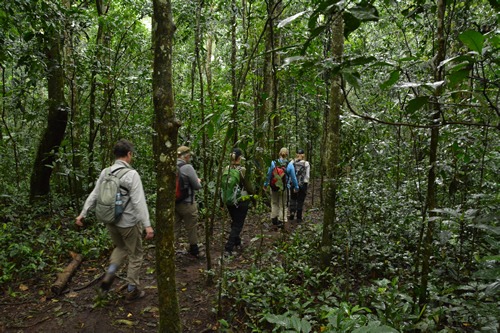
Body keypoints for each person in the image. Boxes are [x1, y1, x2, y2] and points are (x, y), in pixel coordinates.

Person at [75, 139, 154, 301]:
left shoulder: (106, 172)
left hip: (110, 221)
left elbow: (95, 194)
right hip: (129, 224)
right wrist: (148, 225)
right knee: (136, 254)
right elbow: (139, 202)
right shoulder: (132, 174)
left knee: (120, 247)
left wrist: (83, 213)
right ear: (129, 154)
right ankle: (133, 289)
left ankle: (110, 272)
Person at [223, 148, 255, 254]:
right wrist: (253, 195)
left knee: (235, 221)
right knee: (238, 224)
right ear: (239, 158)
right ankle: (229, 247)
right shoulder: (242, 170)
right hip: (241, 199)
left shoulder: (226, 168)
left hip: (229, 200)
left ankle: (237, 242)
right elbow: (247, 185)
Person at [175, 145, 203, 258]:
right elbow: (197, 186)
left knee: (174, 228)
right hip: (187, 203)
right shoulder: (188, 168)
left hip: (175, 203)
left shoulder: (170, 165)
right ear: (186, 156)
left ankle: (168, 250)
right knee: (191, 227)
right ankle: (194, 250)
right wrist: (198, 180)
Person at [263, 147, 299, 229]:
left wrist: (266, 184)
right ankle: (281, 220)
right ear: (287, 154)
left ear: (279, 153)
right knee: (283, 204)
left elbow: (269, 174)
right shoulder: (289, 164)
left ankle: (274, 219)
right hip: (284, 188)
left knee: (274, 202)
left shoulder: (273, 163)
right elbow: (293, 177)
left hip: (274, 187)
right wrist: (296, 187)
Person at [289, 149, 310, 223]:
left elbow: (289, 172)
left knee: (293, 198)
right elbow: (307, 176)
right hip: (302, 184)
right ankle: (299, 217)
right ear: (303, 155)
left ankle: (292, 213)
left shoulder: (292, 162)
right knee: (300, 200)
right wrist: (305, 183)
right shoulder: (306, 163)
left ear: (296, 154)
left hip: (293, 183)